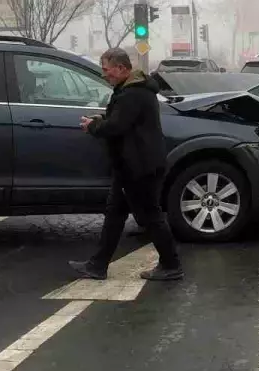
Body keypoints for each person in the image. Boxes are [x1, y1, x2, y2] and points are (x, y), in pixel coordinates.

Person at [69, 48, 183, 282]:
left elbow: (117, 127)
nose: (104, 75)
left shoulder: (133, 94)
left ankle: (171, 264)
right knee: (115, 213)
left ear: (121, 68)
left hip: (138, 167)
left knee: (150, 216)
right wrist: (102, 120)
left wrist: (93, 126)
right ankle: (97, 265)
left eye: (106, 70)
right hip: (131, 166)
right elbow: (123, 122)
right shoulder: (132, 90)